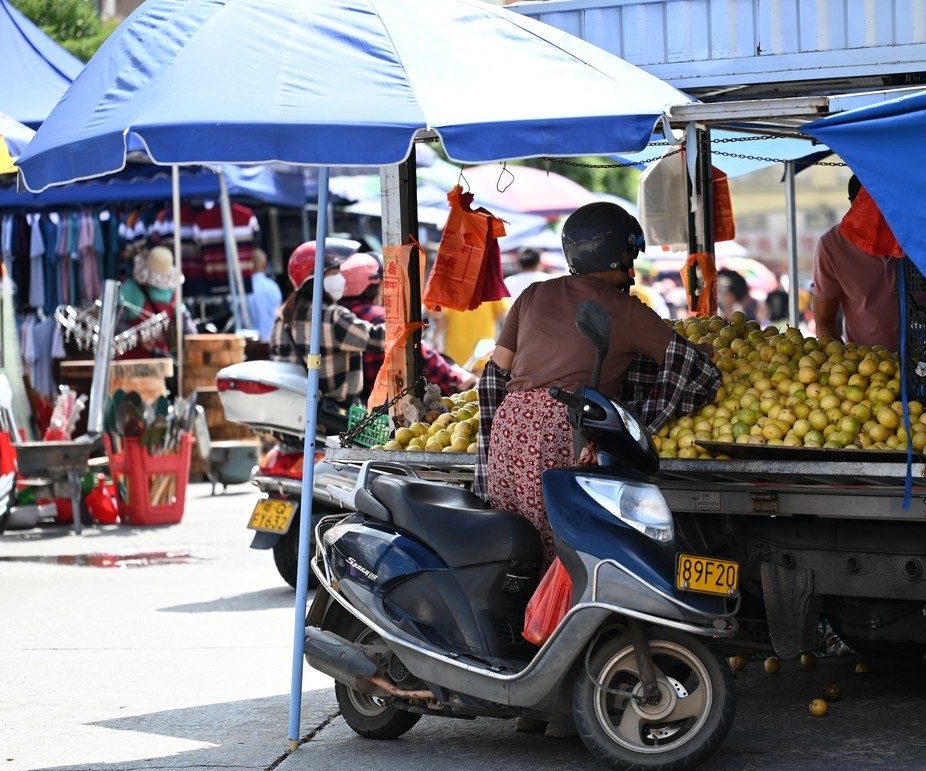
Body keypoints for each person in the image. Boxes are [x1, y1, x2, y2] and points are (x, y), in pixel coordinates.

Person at [475, 202, 720, 737]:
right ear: (616, 254)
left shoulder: (534, 294)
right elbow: (698, 370)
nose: (632, 269)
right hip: (563, 432)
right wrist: (647, 420)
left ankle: (522, 687)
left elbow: (493, 376)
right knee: (572, 556)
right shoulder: (623, 309)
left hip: (512, 434)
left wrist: (493, 443)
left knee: (521, 551)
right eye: (629, 256)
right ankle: (555, 698)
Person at [337, 252, 476, 398]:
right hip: (389, 408)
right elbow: (421, 355)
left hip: (356, 406)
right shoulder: (383, 319)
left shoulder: (339, 318)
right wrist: (457, 378)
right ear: (373, 285)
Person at [269, 238, 384, 408]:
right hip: (333, 415)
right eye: (335, 272)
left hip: (293, 409)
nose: (341, 278)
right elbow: (379, 339)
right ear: (315, 278)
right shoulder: (331, 316)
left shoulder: (282, 317)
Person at [811, 174, 900, 350]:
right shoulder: (832, 246)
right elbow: (824, 322)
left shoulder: (919, 237)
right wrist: (846, 364)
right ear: (853, 204)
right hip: (867, 368)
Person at [118, 245, 183, 361]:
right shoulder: (131, 289)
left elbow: (112, 324)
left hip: (155, 360)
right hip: (134, 361)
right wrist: (137, 338)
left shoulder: (129, 288)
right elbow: (114, 325)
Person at [246, 248, 284, 343]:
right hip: (272, 342)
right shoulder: (273, 287)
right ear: (265, 265)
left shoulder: (245, 288)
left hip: (251, 344)